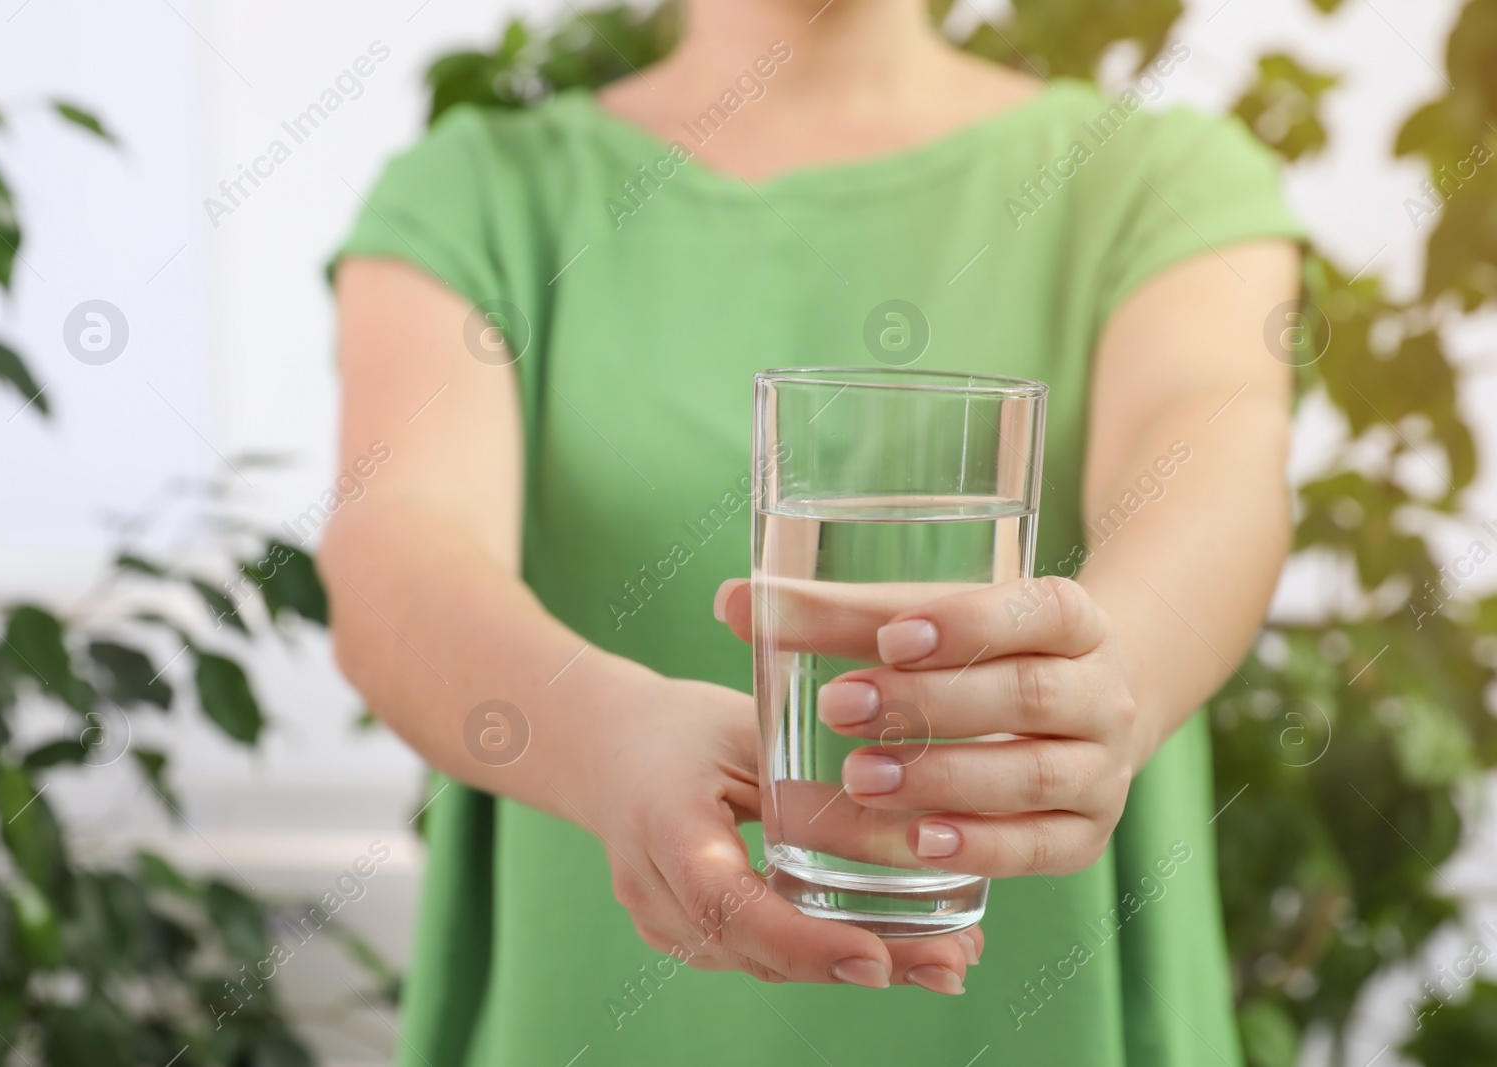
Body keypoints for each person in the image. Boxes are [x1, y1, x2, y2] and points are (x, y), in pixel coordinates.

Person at [322, 0, 1302, 1063]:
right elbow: (398, 541)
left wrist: (1113, 675)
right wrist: (600, 736)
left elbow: (1211, 459)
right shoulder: (479, 194)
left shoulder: (1150, 175)